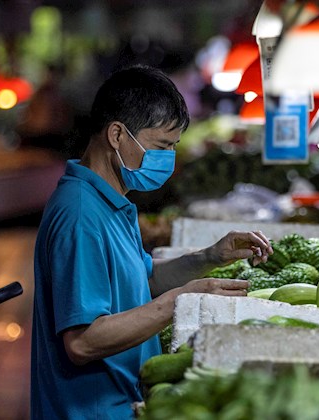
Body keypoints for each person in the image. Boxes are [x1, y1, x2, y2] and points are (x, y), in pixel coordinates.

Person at [30, 65, 273, 419]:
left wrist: (209, 256)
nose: (168, 160)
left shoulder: (112, 201)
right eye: (161, 146)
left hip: (125, 401)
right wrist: (180, 300)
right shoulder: (81, 216)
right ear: (117, 135)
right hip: (92, 410)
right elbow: (83, 342)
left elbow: (144, 281)